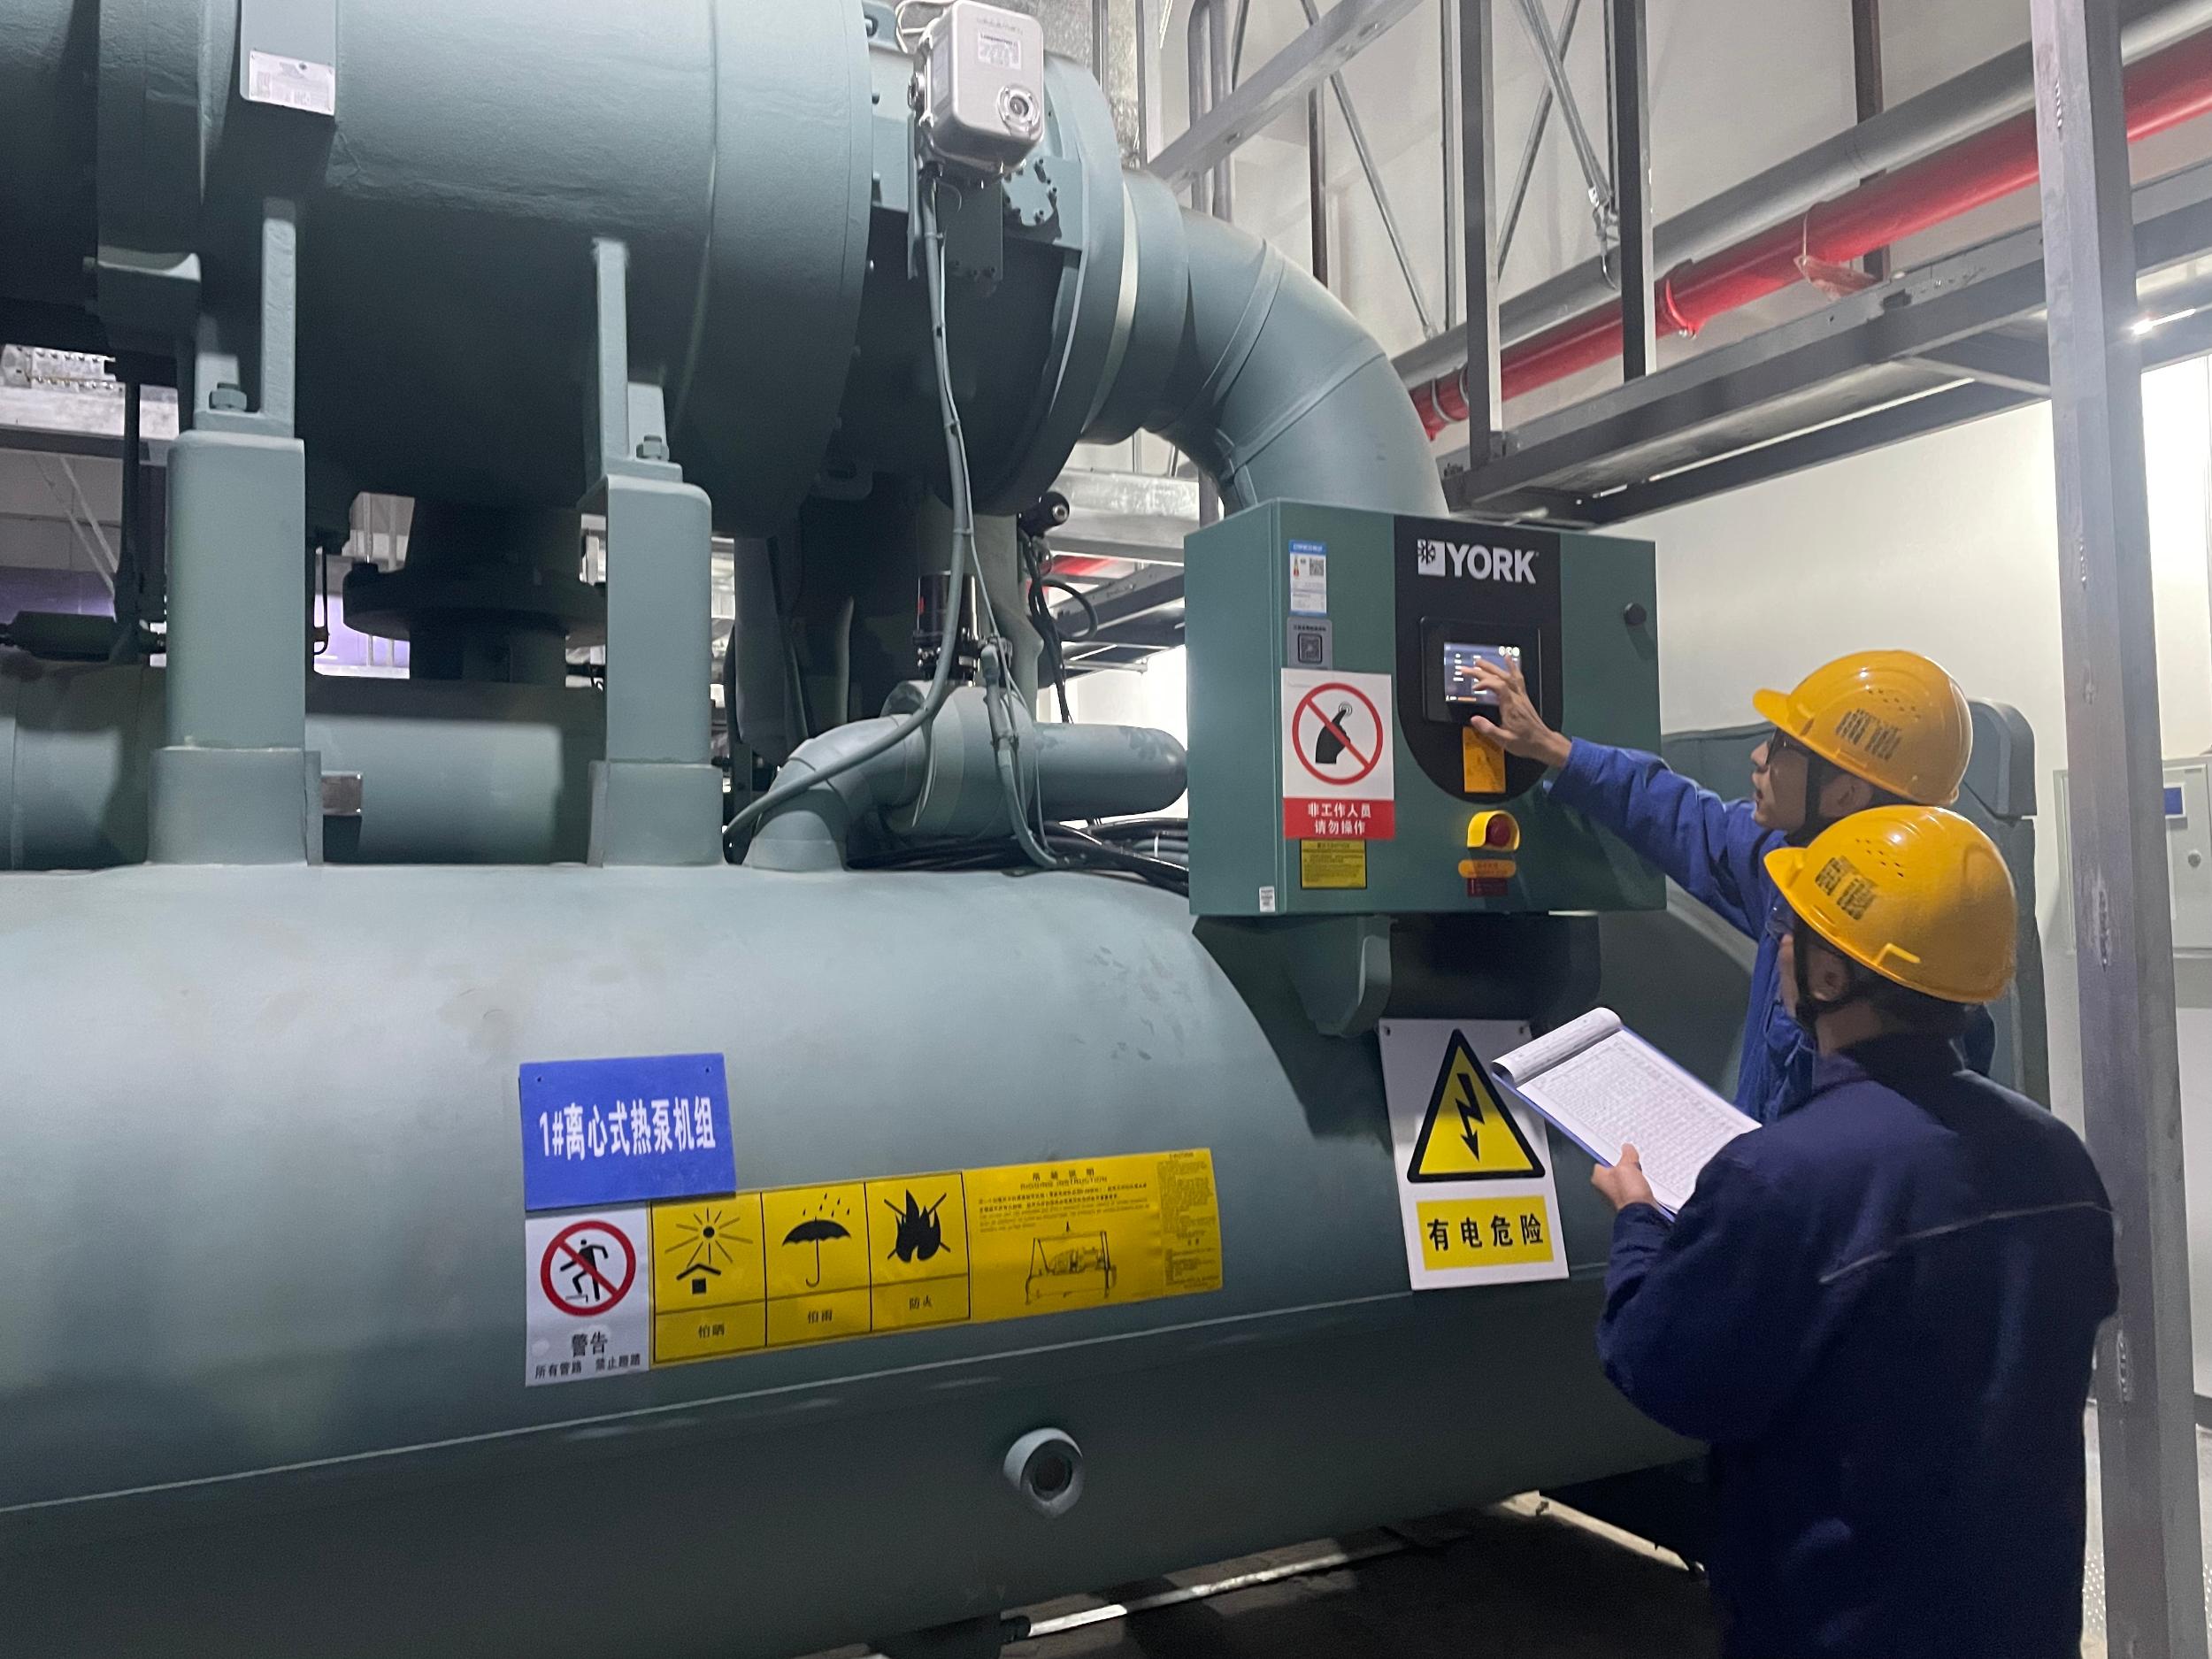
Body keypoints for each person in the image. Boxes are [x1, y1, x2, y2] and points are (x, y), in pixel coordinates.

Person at [1590, 805, 2116, 1659]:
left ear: (1830, 975)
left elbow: (1665, 1371)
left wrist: (1639, 1223)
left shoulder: (1781, 1175)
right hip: (2023, 1620)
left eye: (1791, 933)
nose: (1780, 949)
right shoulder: (2058, 1156)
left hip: (1840, 1625)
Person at [1468, 648, 1991, 1123]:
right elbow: (1688, 820)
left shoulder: (1894, 944)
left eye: (1785, 746)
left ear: (1845, 795)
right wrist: (1556, 750)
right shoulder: (1791, 864)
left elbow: (1865, 1147)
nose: (1759, 756)